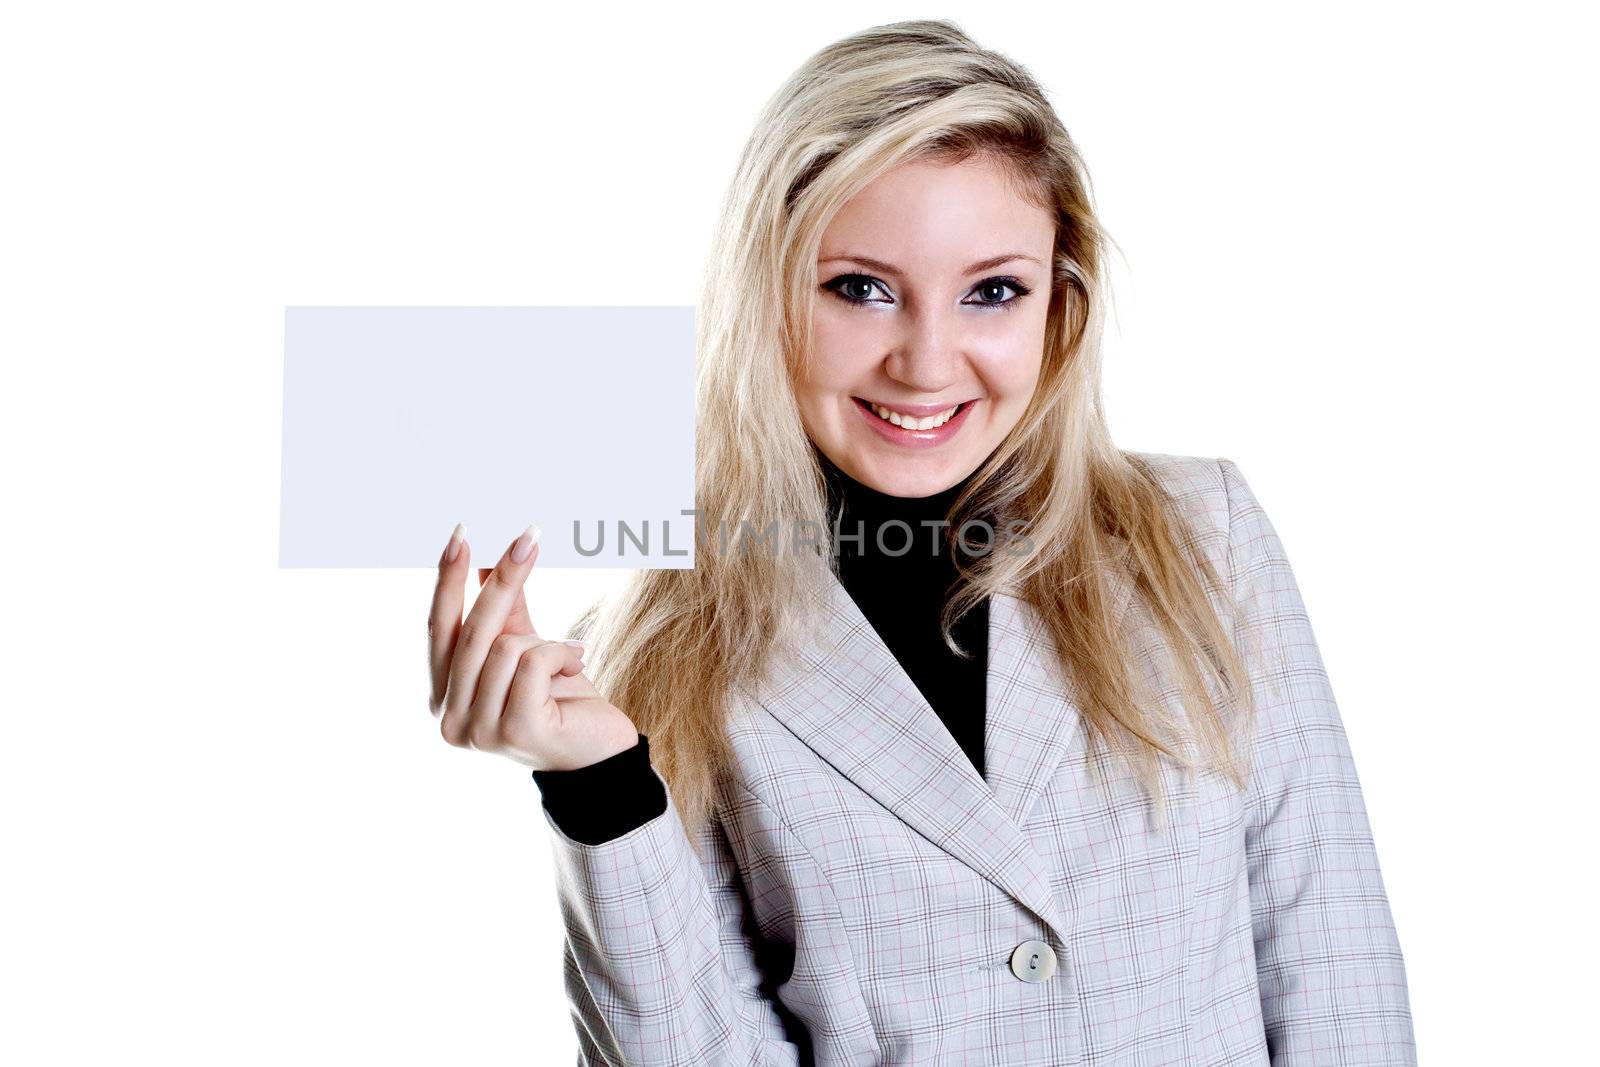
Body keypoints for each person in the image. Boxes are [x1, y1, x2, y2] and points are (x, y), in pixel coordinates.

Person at [425, 18, 1415, 1066]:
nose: (926, 362)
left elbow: (1334, 969)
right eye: (859, 287)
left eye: (992, 290)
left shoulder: (1198, 533)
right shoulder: (667, 638)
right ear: (766, 291)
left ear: (1058, 301)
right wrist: (598, 783)